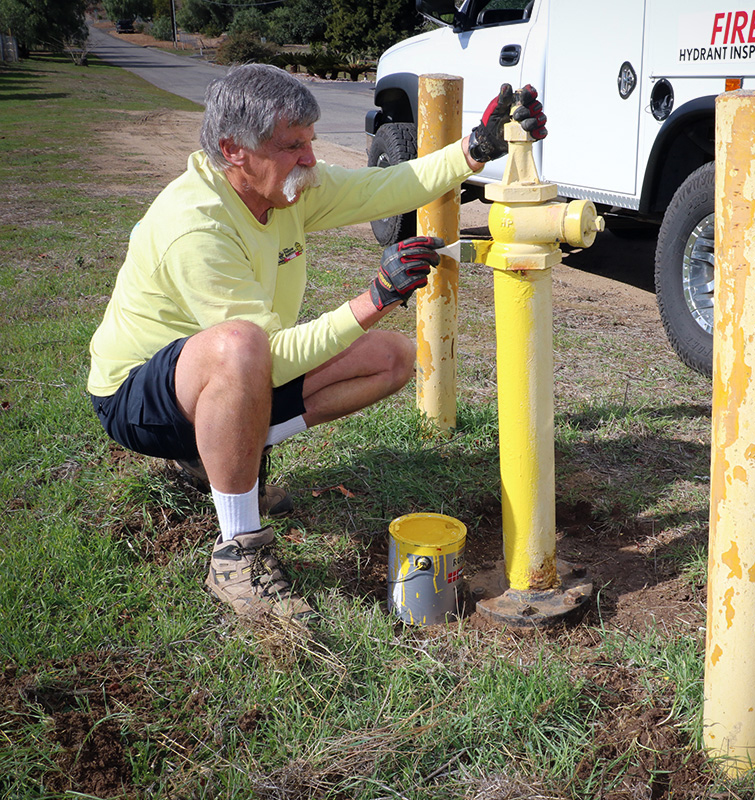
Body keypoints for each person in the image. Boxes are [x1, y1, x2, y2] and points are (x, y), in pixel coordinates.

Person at [87, 66, 547, 620]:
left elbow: (388, 186)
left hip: (232, 376)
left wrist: (474, 150)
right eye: (292, 146)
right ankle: (238, 550)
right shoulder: (196, 225)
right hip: (137, 397)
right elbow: (269, 356)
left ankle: (218, 450)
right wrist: (375, 297)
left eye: (309, 141)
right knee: (241, 345)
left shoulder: (284, 189)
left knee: (391, 357)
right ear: (234, 150)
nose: (309, 158)